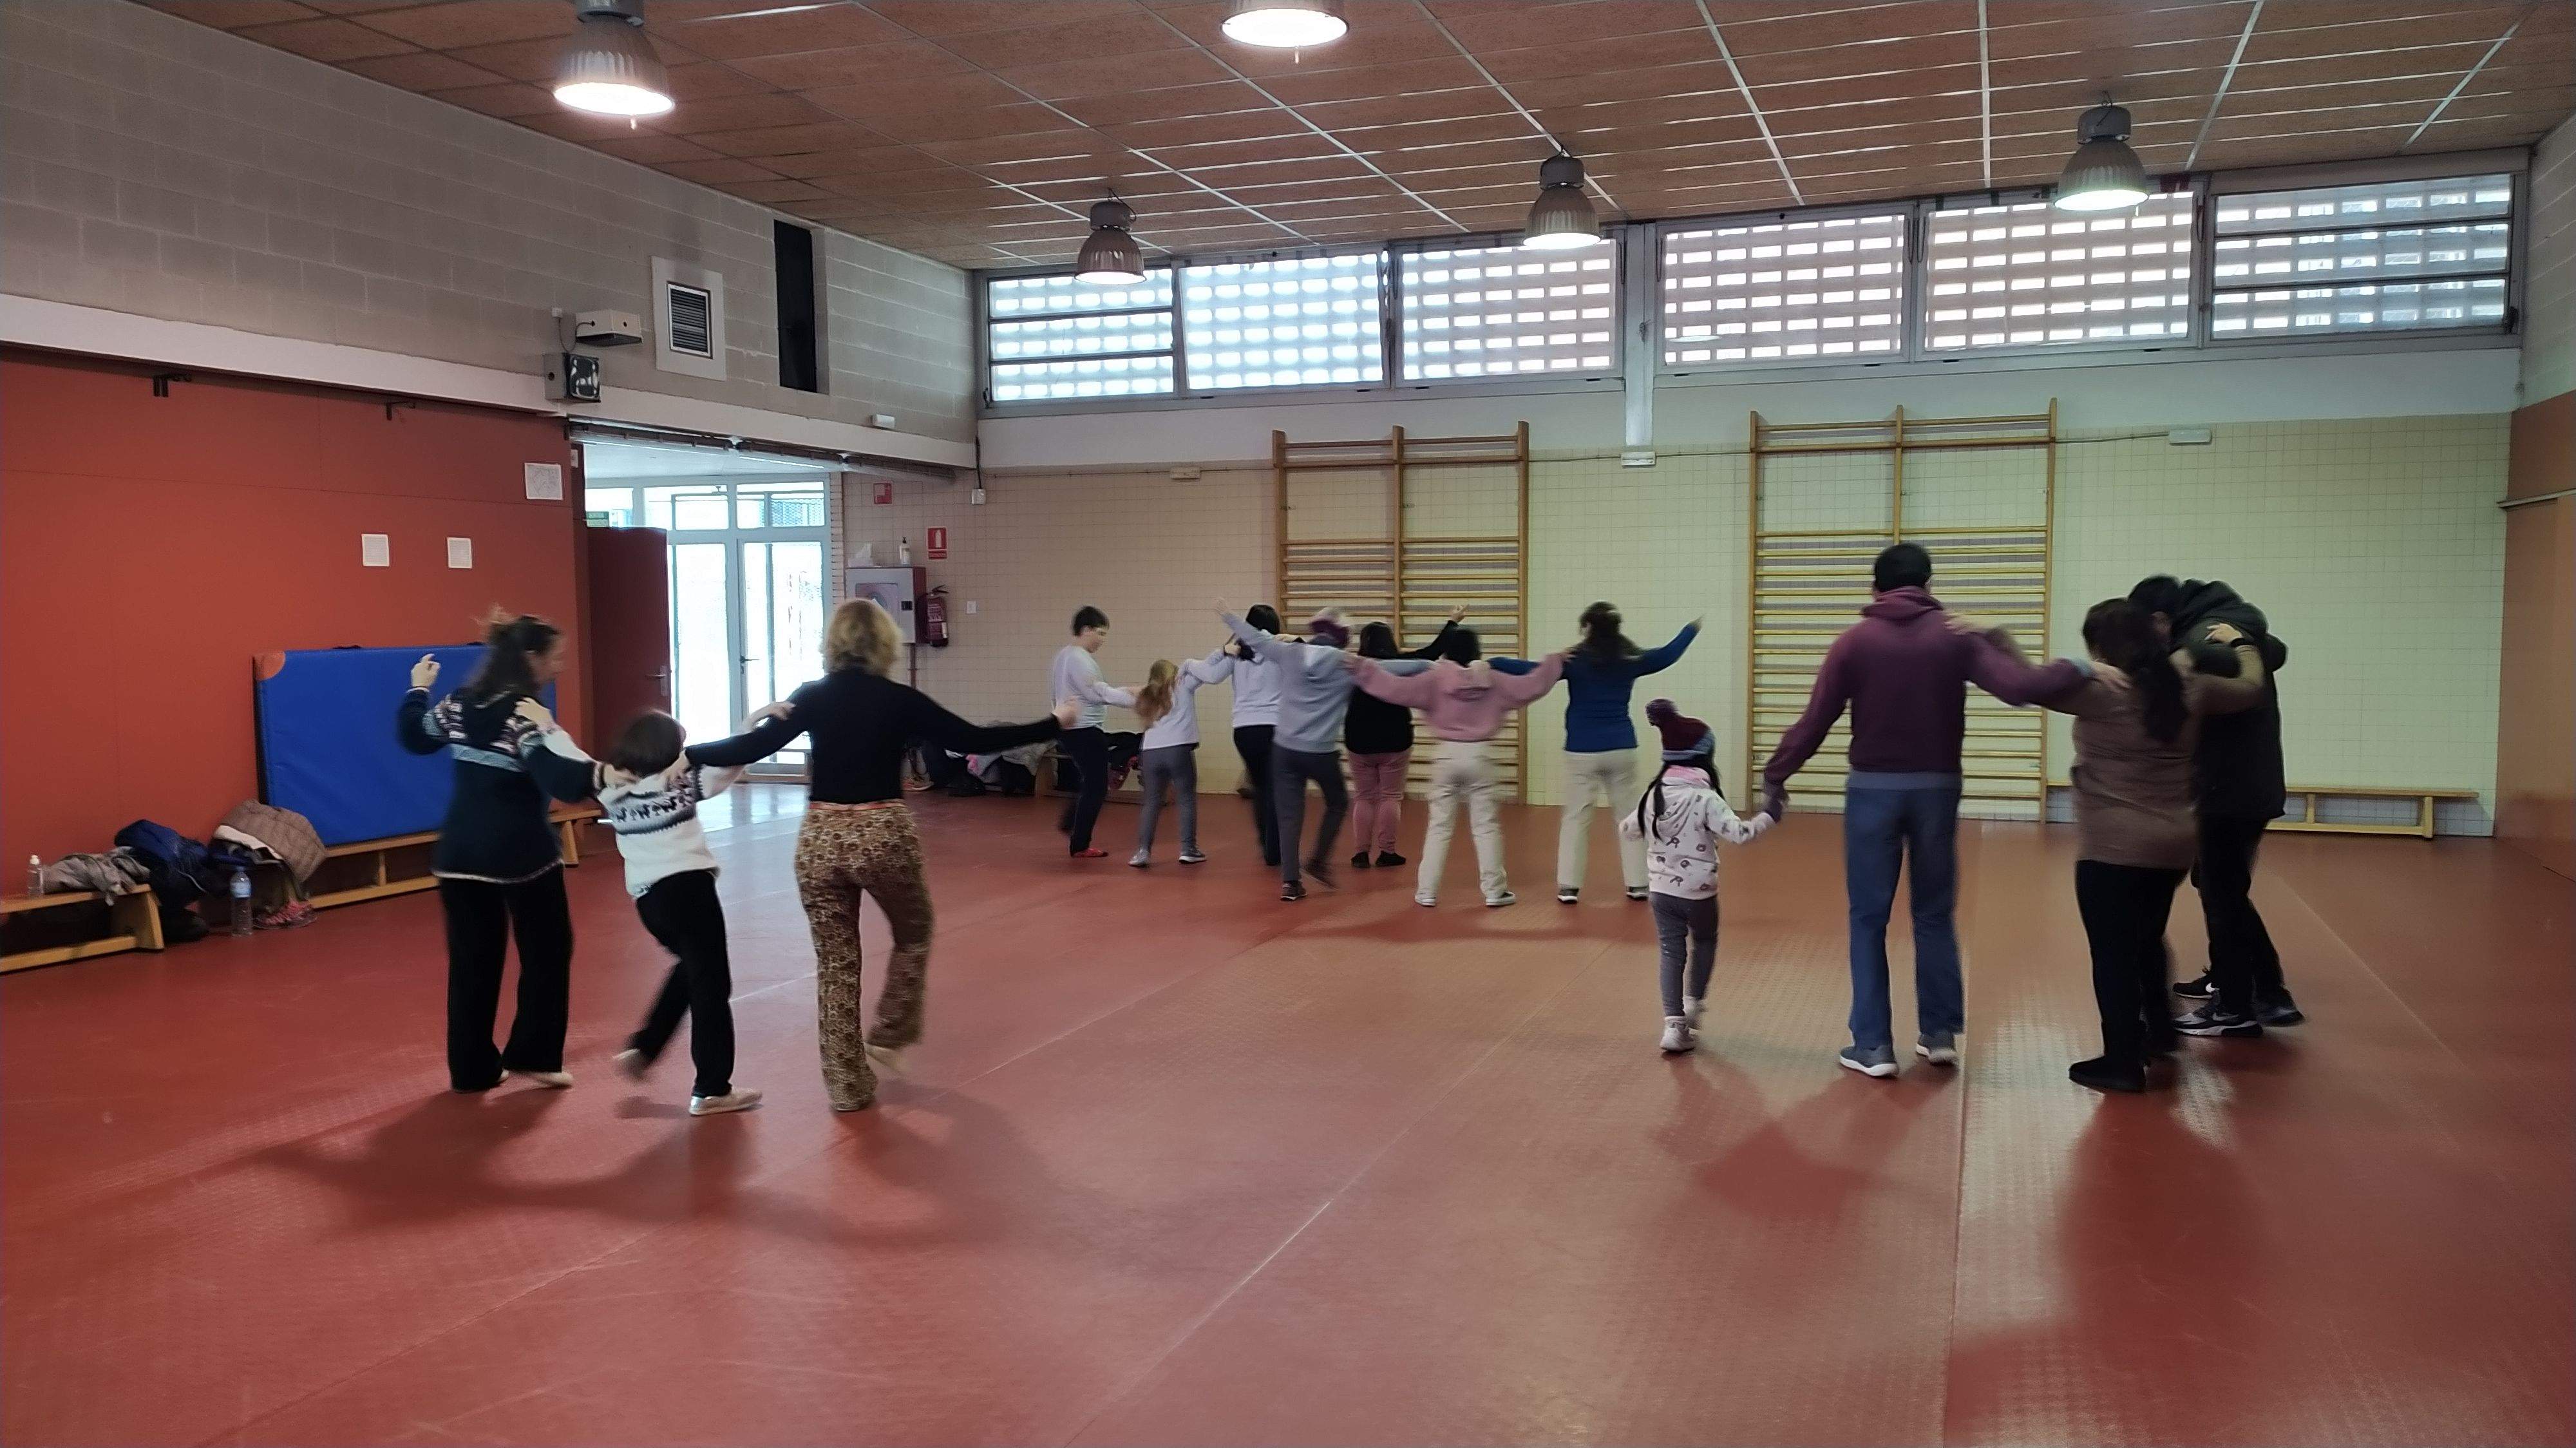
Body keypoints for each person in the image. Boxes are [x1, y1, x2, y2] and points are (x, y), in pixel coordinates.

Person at [689, 600, 1076, 1111]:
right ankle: (890, 1034)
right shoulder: (899, 700)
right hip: (881, 832)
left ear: (835, 643)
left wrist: (684, 754)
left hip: (821, 838)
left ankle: (847, 1089)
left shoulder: (810, 697)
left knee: (836, 965)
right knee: (914, 932)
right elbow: (974, 740)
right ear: (885, 645)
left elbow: (746, 750)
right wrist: (1052, 724)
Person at [1762, 543, 2090, 1080]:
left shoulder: (1853, 642)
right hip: (1938, 791)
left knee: (1868, 918)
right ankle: (1938, 1035)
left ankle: (1873, 1046)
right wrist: (2078, 664)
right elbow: (2020, 689)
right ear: (1929, 585)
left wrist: (1776, 777)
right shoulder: (1955, 638)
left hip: (1871, 793)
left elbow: (1814, 721)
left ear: (1875, 589)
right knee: (1933, 912)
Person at [1978, 601, 2266, 1092]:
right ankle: (2159, 1033)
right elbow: (2252, 689)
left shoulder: (2095, 691)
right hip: (2174, 846)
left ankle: (2121, 1061)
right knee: (2147, 938)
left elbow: (2022, 683)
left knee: (2112, 953)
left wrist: (1997, 638)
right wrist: (2244, 645)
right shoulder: (2191, 688)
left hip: (2113, 847)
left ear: (2098, 647)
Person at [395, 612, 605, 1095]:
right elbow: (558, 778)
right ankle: (533, 1053)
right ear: (531, 658)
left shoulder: (459, 703)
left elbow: (414, 736)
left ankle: (472, 1070)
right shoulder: (524, 715)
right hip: (520, 857)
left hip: (459, 855)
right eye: (557, 658)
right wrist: (605, 778)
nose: (560, 667)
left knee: (473, 964)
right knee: (550, 950)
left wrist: (417, 688)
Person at [564, 707, 770, 1117]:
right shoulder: (682, 782)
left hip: (649, 901)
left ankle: (645, 1047)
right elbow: (728, 765)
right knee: (712, 988)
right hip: (690, 890)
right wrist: (749, 729)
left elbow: (578, 769)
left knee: (691, 970)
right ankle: (712, 1087)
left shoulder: (612, 791)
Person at [2129, 576, 2302, 1034]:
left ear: (2160, 620)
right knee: (2221, 887)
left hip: (2227, 788)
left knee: (2223, 894)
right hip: (2244, 783)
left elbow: (2237, 656)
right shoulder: (2226, 624)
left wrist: (2189, 655)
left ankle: (2242, 1003)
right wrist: (2246, 641)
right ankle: (2256, 988)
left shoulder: (2204, 634)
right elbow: (2276, 650)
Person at [1497, 602, 1701, 904]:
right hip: (1621, 748)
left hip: (1581, 750)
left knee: (1576, 818)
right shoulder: (1631, 659)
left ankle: (1569, 887)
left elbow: (1529, 670)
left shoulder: (1574, 660)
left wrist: (1492, 661)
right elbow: (1668, 654)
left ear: (1587, 627)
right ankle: (1639, 884)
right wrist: (1691, 629)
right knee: (1630, 817)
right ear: (1617, 628)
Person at [1349, 627, 1563, 908]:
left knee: (1439, 827)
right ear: (1477, 651)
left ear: (1448, 651)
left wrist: (1363, 668)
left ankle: (1426, 891)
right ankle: (1495, 892)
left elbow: (1394, 688)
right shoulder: (1494, 680)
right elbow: (1533, 685)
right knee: (1486, 826)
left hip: (1446, 757)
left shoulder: (1434, 680)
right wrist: (1556, 661)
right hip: (1481, 757)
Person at [1619, 701, 1772, 1053]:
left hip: (1660, 891)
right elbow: (1740, 834)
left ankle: (1674, 1027)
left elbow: (1628, 830)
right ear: (1704, 757)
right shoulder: (1706, 798)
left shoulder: (1653, 793)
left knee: (1671, 952)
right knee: (1704, 942)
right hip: (1700, 892)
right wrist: (1770, 815)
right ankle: (1694, 1004)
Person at [1343, 610, 1468, 870]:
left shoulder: (1352, 668)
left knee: (1364, 797)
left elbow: (1313, 659)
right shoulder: (1403, 665)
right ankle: (1387, 851)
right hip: (1395, 738)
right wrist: (1453, 622)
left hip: (1358, 739)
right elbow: (1433, 651)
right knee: (1390, 796)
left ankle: (1360, 853)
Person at [1130, 644, 1233, 867]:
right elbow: (1207, 669)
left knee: (1151, 803)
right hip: (1178, 750)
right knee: (1185, 799)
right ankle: (1188, 849)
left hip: (1150, 753)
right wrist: (1223, 652)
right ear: (1173, 674)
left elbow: (1118, 696)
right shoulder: (1183, 685)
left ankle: (1142, 852)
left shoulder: (1146, 695)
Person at [1050, 605, 1135, 859]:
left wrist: (1130, 692)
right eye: (1100, 633)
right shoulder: (1078, 658)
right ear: (1086, 630)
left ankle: (1071, 824)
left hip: (1073, 729)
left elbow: (1095, 691)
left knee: (1089, 781)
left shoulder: (1064, 656)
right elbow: (1096, 692)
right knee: (1097, 786)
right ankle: (1080, 844)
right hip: (1083, 730)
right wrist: (1134, 698)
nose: (1102, 640)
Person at [1228, 604, 1288, 867]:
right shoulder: (1280, 650)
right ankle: (1275, 851)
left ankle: (1265, 842)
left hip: (1244, 730)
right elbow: (1313, 657)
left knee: (1261, 788)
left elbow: (1210, 673)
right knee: (1276, 790)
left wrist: (1222, 650)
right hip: (1273, 726)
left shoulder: (1237, 653)